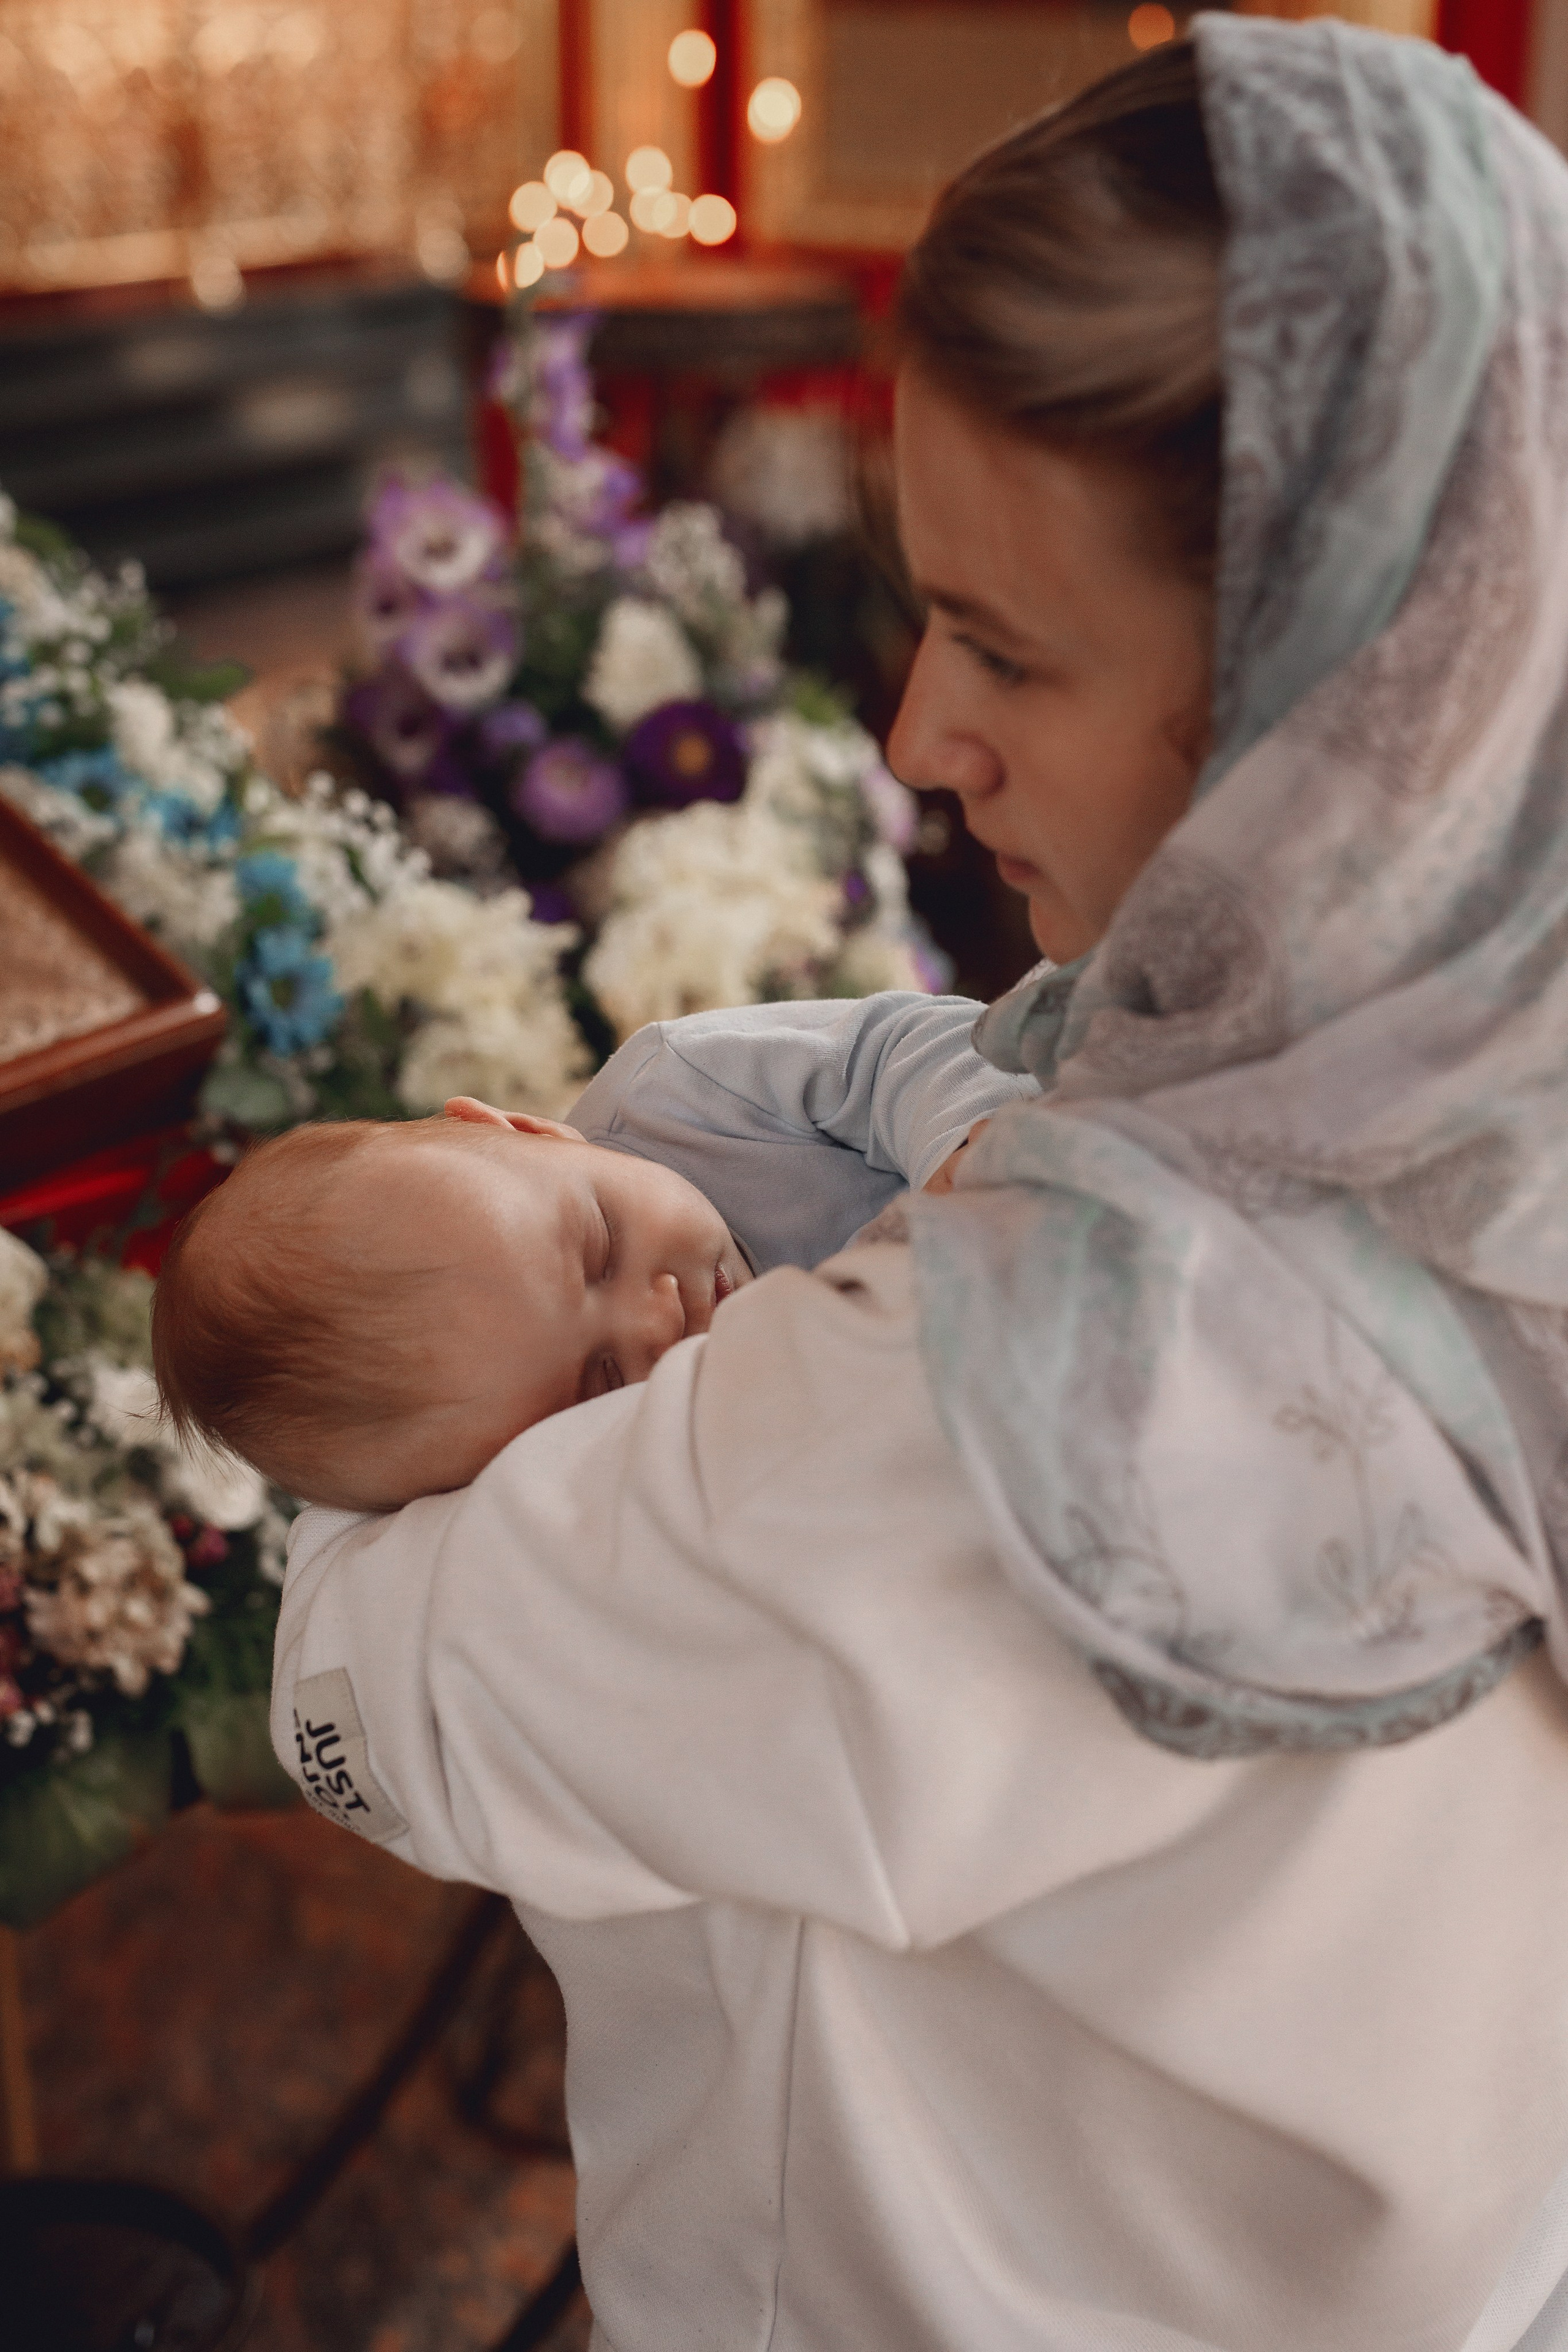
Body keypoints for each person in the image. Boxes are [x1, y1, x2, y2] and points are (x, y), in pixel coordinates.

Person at [269, 20, 1568, 2350]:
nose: (914, 738)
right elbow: (979, 1080)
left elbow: (378, 1698)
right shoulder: (1471, 1056)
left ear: (1327, 715)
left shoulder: (989, 1430)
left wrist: (407, 1404)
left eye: (1005, 646)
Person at [151, 994, 1029, 1509]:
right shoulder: (693, 1466)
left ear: (531, 1132)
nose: (660, 1314)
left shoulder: (682, 1088)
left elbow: (910, 1045)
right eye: (602, 1379)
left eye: (601, 1246)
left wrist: (965, 1142)